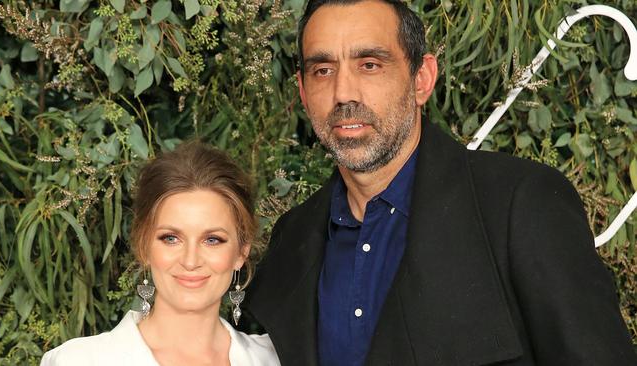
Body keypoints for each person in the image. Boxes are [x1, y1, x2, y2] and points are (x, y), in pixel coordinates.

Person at [245, 0, 637, 365]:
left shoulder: (520, 206)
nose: (343, 92)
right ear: (302, 90)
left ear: (422, 79)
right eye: (322, 70)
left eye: (370, 65)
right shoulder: (290, 240)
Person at [41, 142, 280, 365]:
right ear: (143, 244)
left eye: (212, 240)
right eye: (171, 238)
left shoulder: (274, 359)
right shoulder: (77, 360)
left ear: (241, 252)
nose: (190, 260)